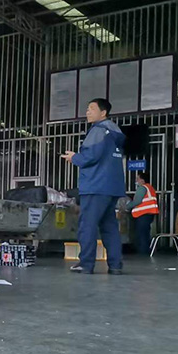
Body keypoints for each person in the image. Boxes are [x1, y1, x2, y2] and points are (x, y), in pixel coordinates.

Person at [61, 98, 126, 275]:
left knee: (87, 225)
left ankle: (86, 264)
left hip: (96, 185)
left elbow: (90, 156)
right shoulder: (115, 132)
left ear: (103, 113)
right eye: (87, 109)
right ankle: (115, 265)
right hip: (112, 187)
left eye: (91, 109)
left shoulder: (98, 130)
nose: (87, 112)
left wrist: (74, 157)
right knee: (109, 227)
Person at [126, 171, 158, 255]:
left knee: (141, 234)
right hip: (149, 213)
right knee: (145, 233)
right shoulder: (150, 188)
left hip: (143, 214)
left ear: (142, 180)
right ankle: (146, 251)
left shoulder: (142, 188)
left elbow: (137, 201)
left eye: (138, 179)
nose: (136, 181)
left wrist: (126, 207)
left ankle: (142, 252)